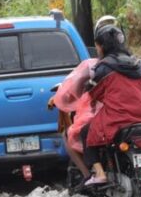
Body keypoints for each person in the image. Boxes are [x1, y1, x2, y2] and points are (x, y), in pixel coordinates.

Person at [81, 24, 141, 186]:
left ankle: (100, 174)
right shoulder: (138, 64)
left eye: (97, 45)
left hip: (119, 117)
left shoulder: (104, 68)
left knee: (85, 132)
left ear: (102, 46)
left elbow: (94, 92)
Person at [47, 15, 120, 182]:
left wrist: (58, 98)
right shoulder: (134, 64)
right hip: (135, 115)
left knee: (74, 133)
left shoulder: (93, 66)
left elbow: (72, 88)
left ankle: (91, 176)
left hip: (105, 116)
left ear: (100, 45)